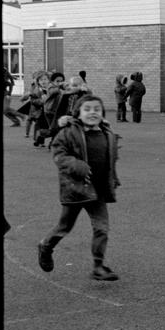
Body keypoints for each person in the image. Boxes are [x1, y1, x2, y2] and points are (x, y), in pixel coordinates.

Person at [36, 94, 121, 282]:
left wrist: (113, 177)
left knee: (102, 229)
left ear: (103, 113)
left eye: (97, 109)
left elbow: (110, 159)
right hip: (75, 190)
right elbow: (59, 154)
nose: (92, 113)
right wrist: (76, 165)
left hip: (98, 191)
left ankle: (98, 267)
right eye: (87, 109)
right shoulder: (69, 132)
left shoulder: (107, 133)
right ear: (78, 113)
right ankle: (46, 246)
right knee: (64, 227)